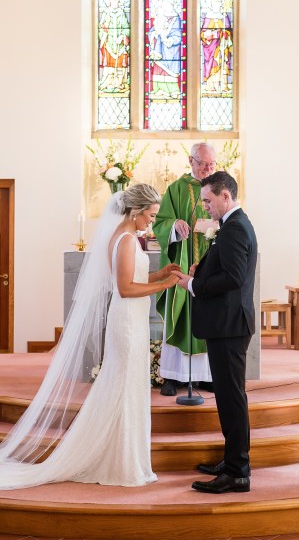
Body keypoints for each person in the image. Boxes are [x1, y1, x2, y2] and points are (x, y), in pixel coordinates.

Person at [0, 184, 180, 489]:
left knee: (129, 388)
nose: (151, 221)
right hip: (126, 323)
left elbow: (133, 279)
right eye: (149, 215)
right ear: (136, 211)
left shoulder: (128, 238)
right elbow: (125, 289)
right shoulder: (124, 240)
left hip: (133, 321)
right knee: (122, 388)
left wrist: (160, 275)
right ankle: (118, 463)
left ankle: (124, 458)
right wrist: (165, 286)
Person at [176, 171, 257, 494]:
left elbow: (234, 278)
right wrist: (205, 268)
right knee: (227, 396)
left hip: (229, 325)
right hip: (227, 324)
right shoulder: (233, 225)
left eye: (208, 201)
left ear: (226, 196)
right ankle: (232, 459)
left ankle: (238, 471)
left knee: (232, 398)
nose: (205, 206)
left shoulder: (234, 228)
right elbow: (227, 269)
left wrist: (194, 284)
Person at [153, 142, 216, 396]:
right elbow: (160, 222)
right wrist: (175, 224)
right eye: (203, 164)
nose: (207, 169)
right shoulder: (176, 189)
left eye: (211, 164)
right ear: (191, 161)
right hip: (182, 265)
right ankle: (172, 376)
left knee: (209, 317)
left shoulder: (220, 187)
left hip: (209, 267)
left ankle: (205, 376)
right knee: (180, 317)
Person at [148, 0, 182, 99]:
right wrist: (153, 33)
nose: (165, 8)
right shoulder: (160, 17)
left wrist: (170, 40)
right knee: (158, 69)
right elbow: (152, 30)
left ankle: (172, 90)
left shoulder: (176, 19)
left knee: (170, 70)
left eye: (167, 6)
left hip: (171, 50)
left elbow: (178, 34)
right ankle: (159, 89)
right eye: (164, 6)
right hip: (158, 49)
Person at [200, 0, 233, 95]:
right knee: (211, 63)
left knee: (223, 63)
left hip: (222, 46)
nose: (216, 5)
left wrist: (223, 33)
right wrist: (206, 35)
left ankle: (223, 85)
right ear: (211, 4)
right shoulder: (208, 17)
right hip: (210, 47)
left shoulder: (224, 16)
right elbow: (202, 33)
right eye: (214, 3)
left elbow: (228, 32)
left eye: (218, 3)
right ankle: (211, 86)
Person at [99, 0, 130, 94]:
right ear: (109, 1)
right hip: (109, 44)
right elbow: (100, 27)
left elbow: (127, 28)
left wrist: (122, 36)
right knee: (109, 65)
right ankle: (108, 83)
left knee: (121, 64)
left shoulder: (122, 13)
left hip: (120, 46)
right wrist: (104, 29)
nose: (115, 2)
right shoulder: (106, 13)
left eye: (117, 0)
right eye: (113, 0)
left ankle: (119, 83)